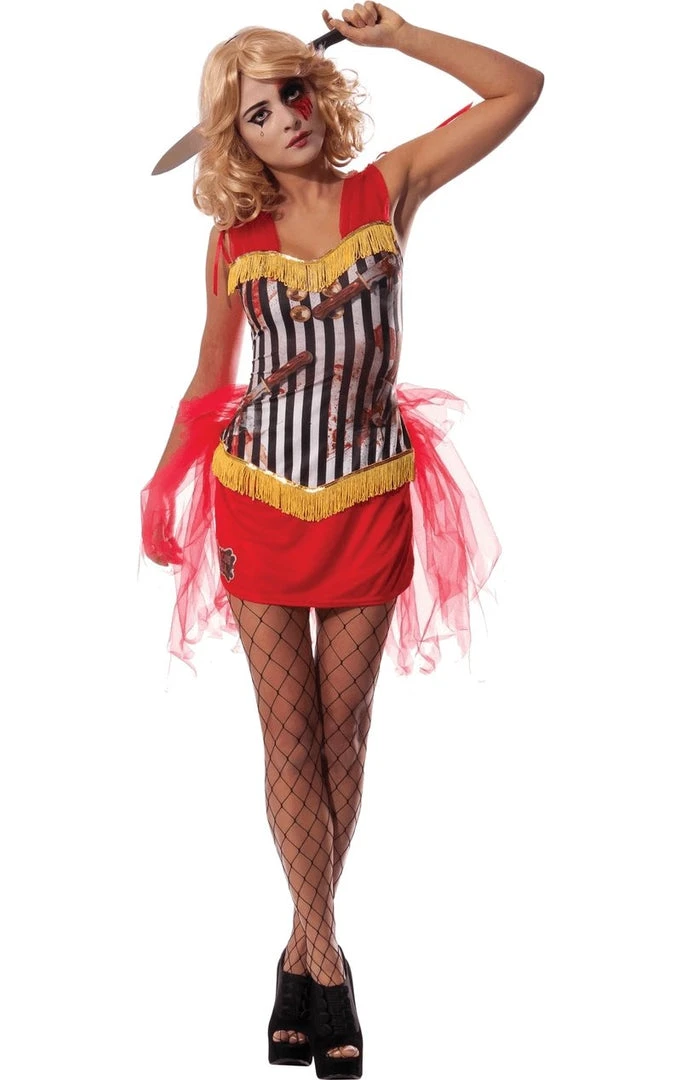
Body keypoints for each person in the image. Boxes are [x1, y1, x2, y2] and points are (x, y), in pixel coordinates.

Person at [140, 4, 543, 1075]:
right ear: (238, 140)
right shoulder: (233, 240)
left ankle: (299, 952)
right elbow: (211, 374)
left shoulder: (386, 188)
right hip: (259, 497)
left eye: (292, 92)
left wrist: (397, 35)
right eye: (257, 113)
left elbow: (519, 88)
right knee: (288, 742)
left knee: (342, 739)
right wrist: (164, 480)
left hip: (367, 495)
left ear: (317, 92)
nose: (286, 117)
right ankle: (326, 962)